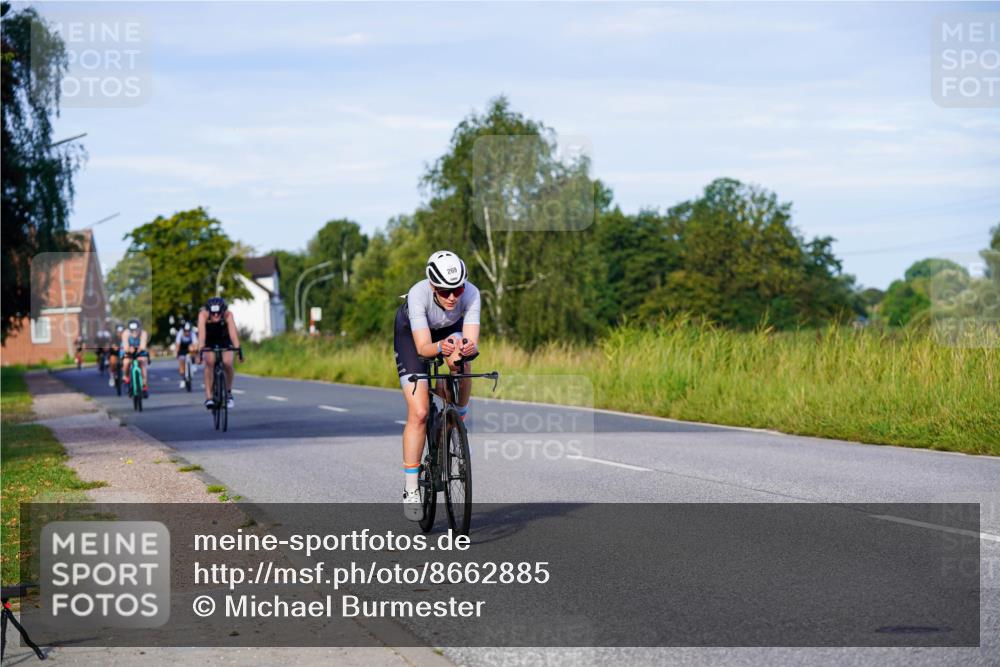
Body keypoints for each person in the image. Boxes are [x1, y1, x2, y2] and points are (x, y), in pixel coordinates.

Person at [393, 250, 480, 520]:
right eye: (445, 291)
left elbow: (471, 342)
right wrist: (440, 347)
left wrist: (462, 350)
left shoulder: (472, 294)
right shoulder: (418, 294)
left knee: (463, 363)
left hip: (447, 333)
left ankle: (458, 416)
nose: (453, 296)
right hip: (414, 336)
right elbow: (423, 347)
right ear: (432, 285)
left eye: (457, 289)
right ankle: (411, 488)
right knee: (419, 412)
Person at [196, 297, 241, 410]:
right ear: (209, 311)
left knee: (227, 362)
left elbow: (233, 335)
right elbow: (201, 336)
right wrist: (200, 352)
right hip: (209, 339)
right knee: (210, 361)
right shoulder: (203, 315)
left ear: (222, 311)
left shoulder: (228, 315)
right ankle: (209, 397)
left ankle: (229, 393)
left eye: (218, 313)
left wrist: (239, 350)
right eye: (213, 313)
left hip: (223, 338)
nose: (216, 315)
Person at [121, 319, 149, 399]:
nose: (134, 332)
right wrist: (129, 350)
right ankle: (126, 378)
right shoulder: (125, 333)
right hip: (129, 352)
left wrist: (139, 349)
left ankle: (144, 385)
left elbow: (143, 345)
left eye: (136, 330)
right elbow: (125, 346)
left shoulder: (143, 333)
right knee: (126, 362)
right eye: (132, 330)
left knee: (143, 362)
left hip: (140, 352)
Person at [175, 322, 198, 388]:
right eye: (185, 331)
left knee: (192, 348)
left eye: (188, 331)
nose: (187, 333)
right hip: (182, 348)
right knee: (181, 361)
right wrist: (177, 353)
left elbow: (195, 344)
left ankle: (193, 364)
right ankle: (183, 378)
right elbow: (177, 345)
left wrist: (195, 351)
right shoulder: (180, 333)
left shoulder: (192, 334)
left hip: (189, 347)